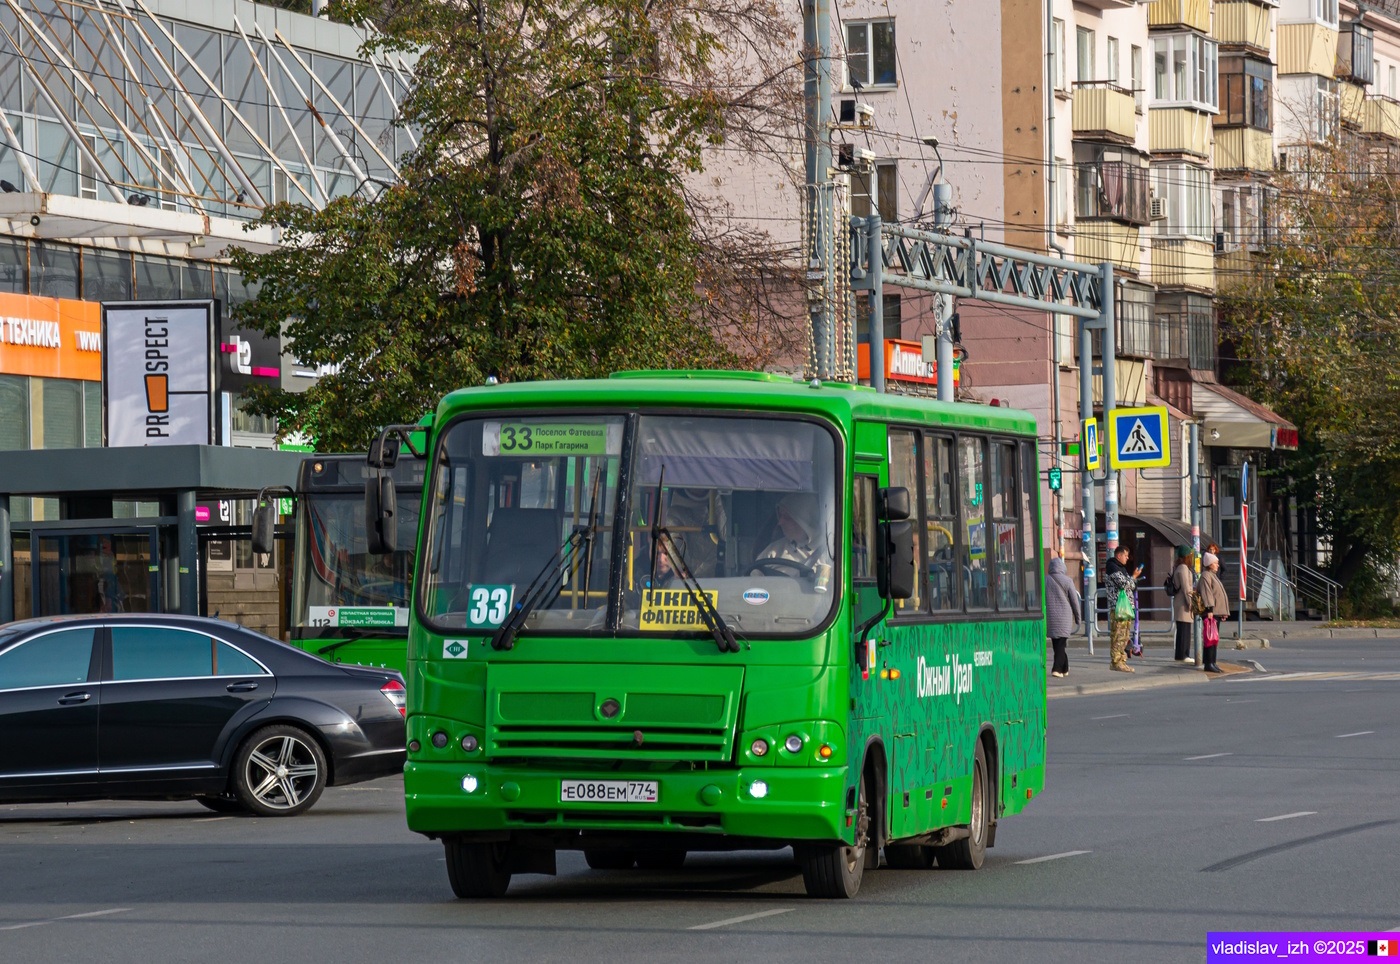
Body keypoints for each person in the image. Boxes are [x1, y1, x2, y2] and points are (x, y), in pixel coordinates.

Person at [751, 492, 828, 574]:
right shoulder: (773, 551)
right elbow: (753, 582)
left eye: (787, 517)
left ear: (804, 522)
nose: (780, 522)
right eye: (780, 515)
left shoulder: (829, 553)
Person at [1103, 545, 1143, 672]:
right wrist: (1134, 577)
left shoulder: (1121, 568)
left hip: (1125, 609)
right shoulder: (1112, 567)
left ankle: (1122, 660)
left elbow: (1129, 585)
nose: (1127, 558)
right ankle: (1116, 661)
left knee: (1124, 636)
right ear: (1119, 555)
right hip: (1118, 608)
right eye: (1125, 555)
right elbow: (1125, 584)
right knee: (1118, 635)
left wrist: (1132, 580)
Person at [1045, 553, 1081, 678]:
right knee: (1061, 643)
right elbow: (1074, 601)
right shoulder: (1067, 581)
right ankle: (1057, 669)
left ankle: (1064, 667)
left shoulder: (1045, 580)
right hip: (1065, 617)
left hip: (1050, 617)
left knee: (1057, 643)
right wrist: (1078, 618)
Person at [1196, 551, 1231, 673]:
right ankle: (1209, 663)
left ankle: (1212, 662)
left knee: (1213, 638)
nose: (1218, 565)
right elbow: (1207, 594)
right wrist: (1209, 609)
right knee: (1210, 638)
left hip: (1216, 611)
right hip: (1211, 612)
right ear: (1210, 564)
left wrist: (1223, 611)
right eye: (1216, 563)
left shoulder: (1212, 575)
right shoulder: (1206, 575)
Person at [1170, 544, 1197, 664]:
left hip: (1179, 602)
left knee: (1182, 629)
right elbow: (1186, 588)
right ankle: (1184, 655)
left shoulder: (1178, 567)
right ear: (1186, 556)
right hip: (1183, 603)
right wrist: (1190, 603)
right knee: (1184, 630)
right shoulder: (1183, 568)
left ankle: (1180, 655)